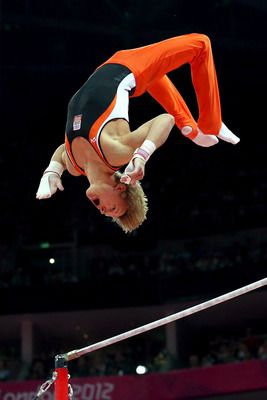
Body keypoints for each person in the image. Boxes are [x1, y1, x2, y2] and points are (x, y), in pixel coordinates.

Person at [36, 33, 240, 233]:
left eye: (107, 214)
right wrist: (142, 154)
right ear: (120, 189)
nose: (103, 212)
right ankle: (211, 124)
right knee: (201, 44)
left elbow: (63, 150)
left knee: (155, 75)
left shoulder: (74, 166)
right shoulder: (116, 152)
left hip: (115, 68)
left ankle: (189, 127)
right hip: (129, 68)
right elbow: (165, 119)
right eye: (113, 210)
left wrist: (52, 171)